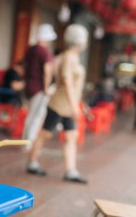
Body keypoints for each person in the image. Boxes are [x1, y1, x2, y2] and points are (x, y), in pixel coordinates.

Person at [26, 24, 89, 184]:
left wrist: (79, 104)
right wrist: (75, 106)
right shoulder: (68, 56)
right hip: (60, 104)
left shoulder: (72, 57)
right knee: (45, 134)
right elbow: (67, 81)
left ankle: (71, 170)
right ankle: (32, 162)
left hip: (69, 105)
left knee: (71, 136)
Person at [22, 23, 56, 146]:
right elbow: (47, 72)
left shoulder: (31, 49)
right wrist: (46, 88)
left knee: (30, 115)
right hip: (39, 89)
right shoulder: (45, 52)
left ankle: (25, 140)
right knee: (35, 116)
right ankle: (28, 142)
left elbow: (24, 67)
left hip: (29, 86)